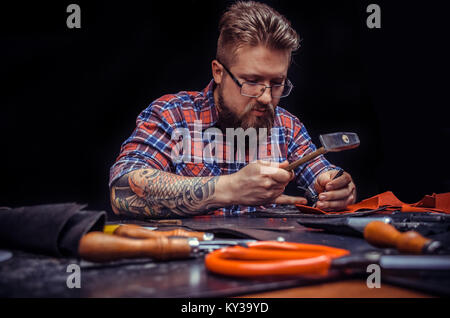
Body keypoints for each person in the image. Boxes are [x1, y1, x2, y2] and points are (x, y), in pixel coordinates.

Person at [109, 1, 356, 218]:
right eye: (251, 82)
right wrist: (231, 188)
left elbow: (323, 174)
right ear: (218, 72)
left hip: (269, 264)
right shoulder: (172, 115)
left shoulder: (287, 127)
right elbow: (123, 190)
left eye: (277, 83)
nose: (266, 98)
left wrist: (337, 187)